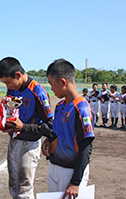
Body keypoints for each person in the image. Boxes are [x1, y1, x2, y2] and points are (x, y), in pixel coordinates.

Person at [0, 57, 54, 199]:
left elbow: (50, 125)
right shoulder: (12, 90)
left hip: (29, 144)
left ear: (18, 75)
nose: (7, 86)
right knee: (14, 185)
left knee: (24, 188)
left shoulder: (37, 92)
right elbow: (9, 114)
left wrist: (23, 127)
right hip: (14, 142)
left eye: (8, 82)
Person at [40, 58, 95, 199]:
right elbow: (56, 132)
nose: (51, 88)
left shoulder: (82, 108)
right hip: (54, 167)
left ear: (63, 82)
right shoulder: (60, 106)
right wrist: (47, 141)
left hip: (71, 172)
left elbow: (86, 147)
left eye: (51, 84)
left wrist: (75, 182)